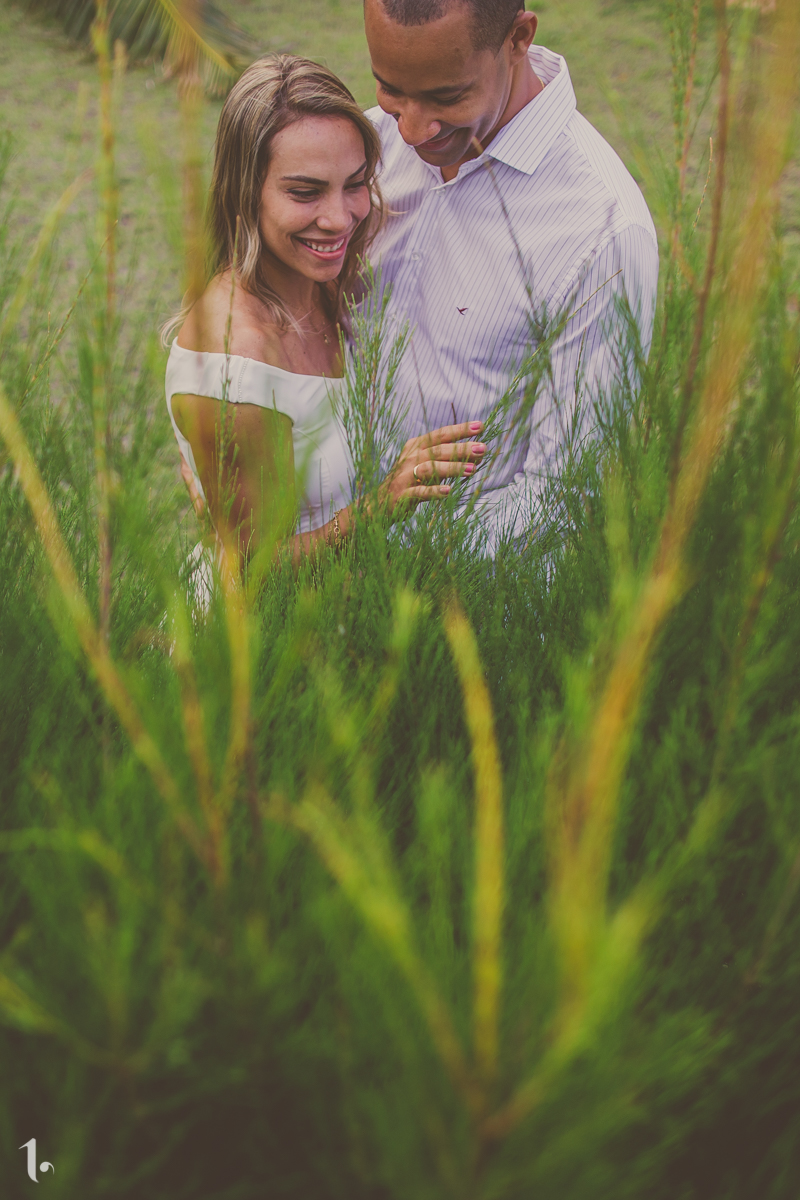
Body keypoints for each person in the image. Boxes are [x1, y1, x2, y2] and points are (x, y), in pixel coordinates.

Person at [164, 54, 486, 574]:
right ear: (246, 192)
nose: (339, 219)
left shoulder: (321, 279)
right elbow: (249, 570)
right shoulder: (234, 361)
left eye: (355, 183)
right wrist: (384, 503)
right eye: (305, 191)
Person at [362, 0, 660, 550]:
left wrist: (363, 551)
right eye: (390, 88)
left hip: (458, 598)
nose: (409, 129)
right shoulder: (363, 146)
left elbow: (562, 496)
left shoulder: (604, 232)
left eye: (447, 97)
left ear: (519, 38)